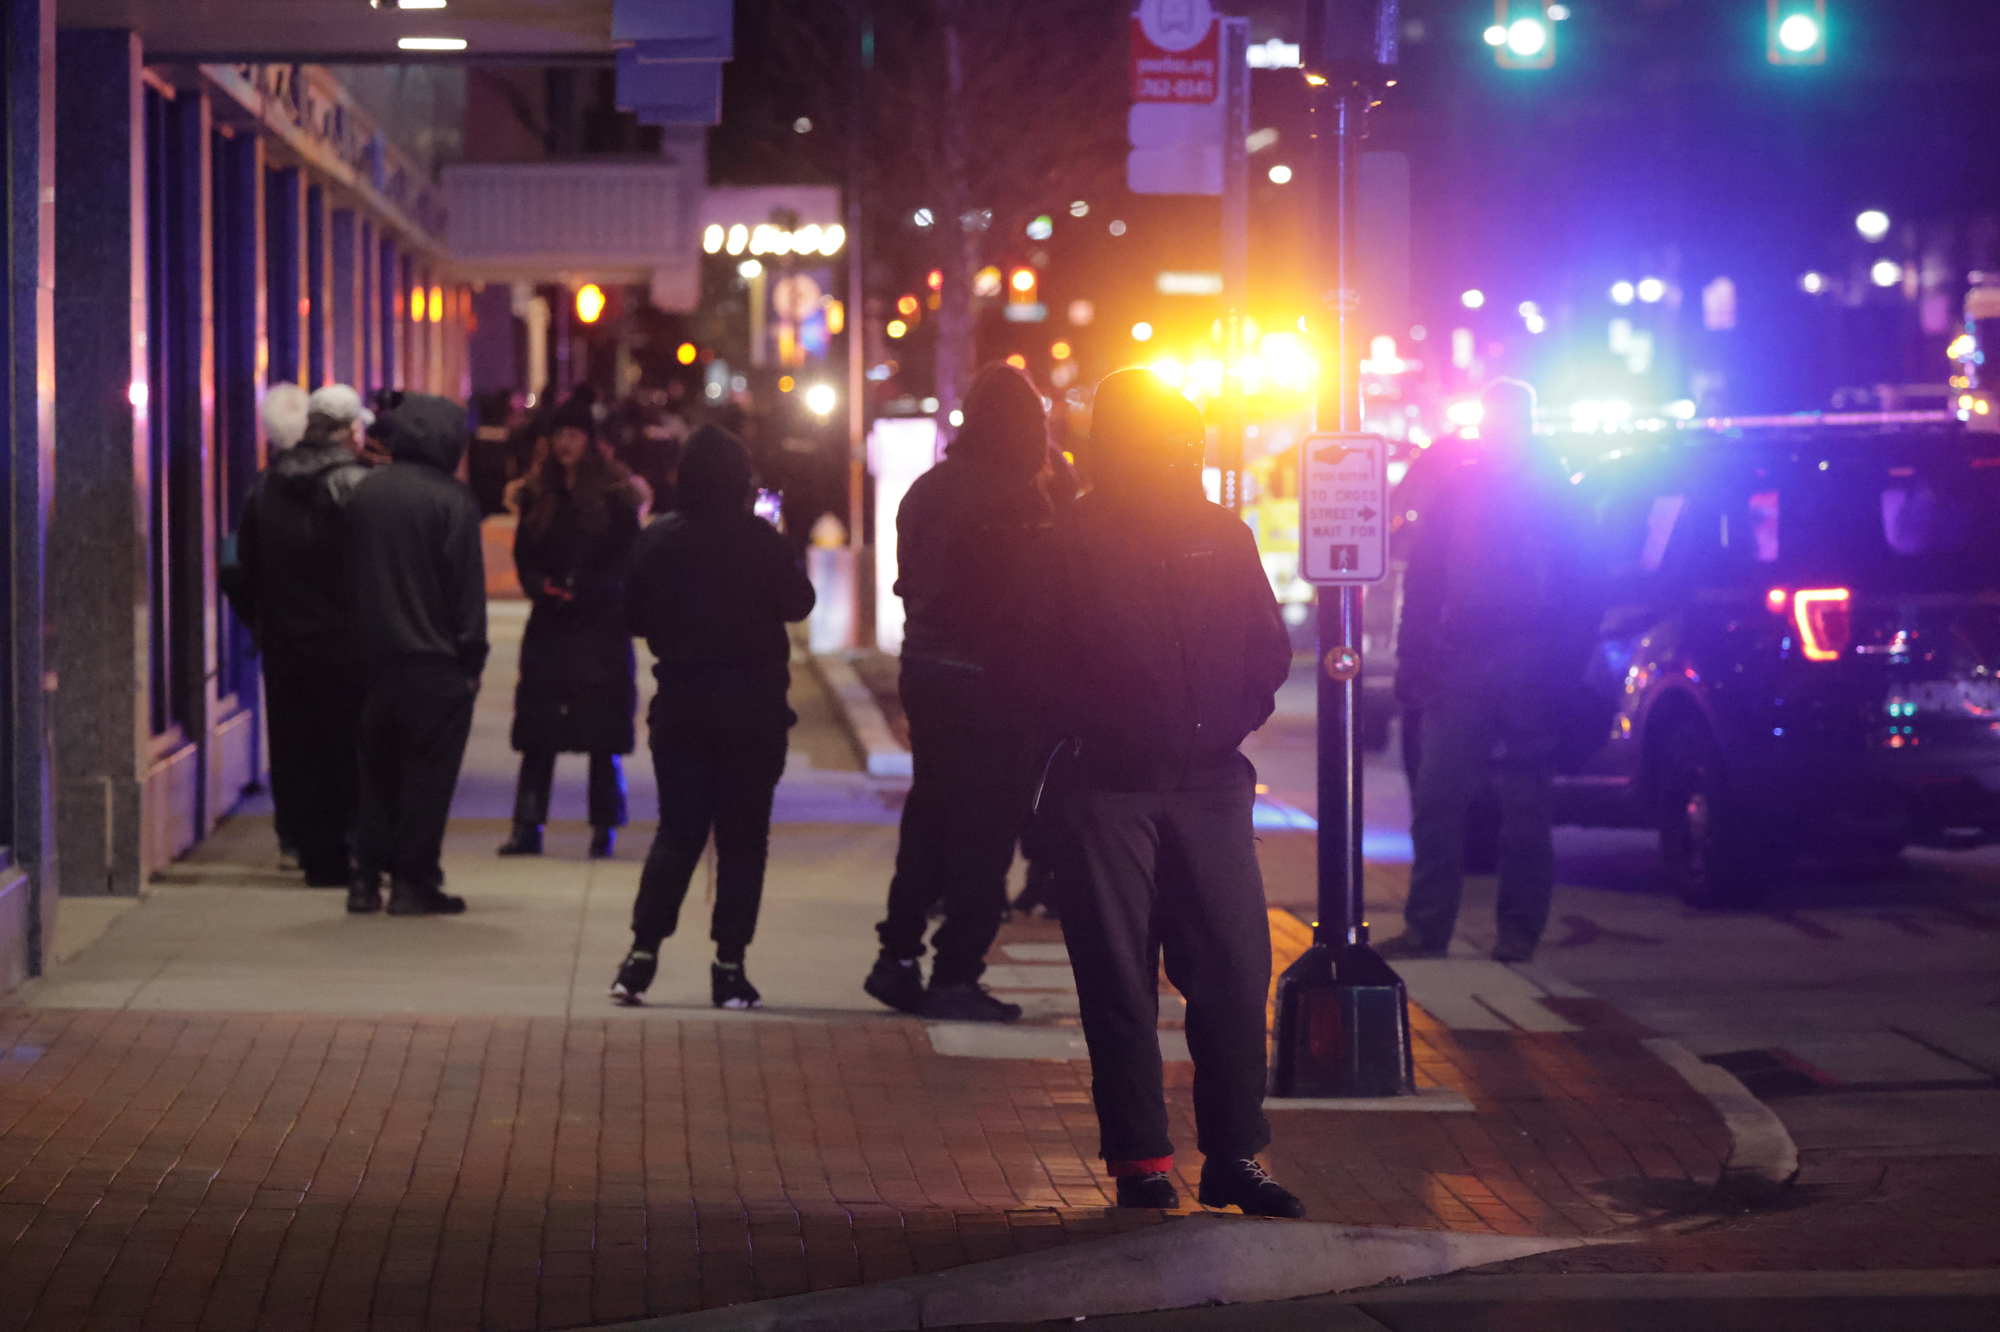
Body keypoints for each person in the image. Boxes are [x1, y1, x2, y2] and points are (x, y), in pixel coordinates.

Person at [999, 368, 1301, 1217]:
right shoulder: (1073, 537)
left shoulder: (1218, 533)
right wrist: (1099, 727)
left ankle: (1231, 1155)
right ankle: (1143, 1162)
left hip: (1203, 783)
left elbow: (1265, 650)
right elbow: (1032, 661)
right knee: (1120, 979)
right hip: (1108, 785)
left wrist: (1223, 724)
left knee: (1235, 973)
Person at [863, 363, 1056, 1022]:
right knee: (985, 828)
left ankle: (896, 955)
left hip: (926, 668)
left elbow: (913, 580)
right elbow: (1033, 603)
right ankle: (955, 971)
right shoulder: (1019, 499)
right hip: (993, 680)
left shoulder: (927, 489)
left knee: (931, 812)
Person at [1379, 378, 1594, 964]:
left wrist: (1414, 661)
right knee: (1488, 805)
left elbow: (1423, 582)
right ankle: (1493, 934)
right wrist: (1566, 666)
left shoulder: (1488, 487)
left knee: (1474, 804)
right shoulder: (1546, 486)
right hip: (1504, 659)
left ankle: (1457, 931)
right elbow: (1583, 589)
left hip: (1496, 659)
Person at [611, 425, 814, 1009]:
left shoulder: (660, 540)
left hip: (682, 705)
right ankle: (730, 966)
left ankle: (640, 957)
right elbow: (799, 602)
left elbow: (635, 617)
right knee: (744, 841)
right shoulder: (760, 541)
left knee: (678, 831)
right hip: (754, 710)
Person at [344, 393, 490, 917]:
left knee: (375, 773)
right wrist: (471, 659)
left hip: (374, 660)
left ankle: (364, 878)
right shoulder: (452, 502)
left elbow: (346, 578)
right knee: (428, 777)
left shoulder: (364, 496)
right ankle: (413, 880)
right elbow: (465, 590)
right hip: (436, 663)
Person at [227, 384, 373, 886]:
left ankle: (305, 845)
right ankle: (346, 843)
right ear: (349, 431)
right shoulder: (358, 485)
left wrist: (264, 620)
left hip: (286, 644)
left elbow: (240, 567)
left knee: (294, 745)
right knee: (345, 744)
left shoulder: (266, 485)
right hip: (346, 643)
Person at [499, 388, 643, 859]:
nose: (565, 444)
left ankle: (604, 825)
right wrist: (543, 587)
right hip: (552, 628)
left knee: (602, 732)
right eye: (559, 434)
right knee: (540, 730)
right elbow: (525, 555)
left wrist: (591, 591)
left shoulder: (616, 496)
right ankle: (527, 825)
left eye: (575, 434)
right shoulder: (539, 494)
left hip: (599, 627)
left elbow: (627, 560)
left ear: (591, 439)